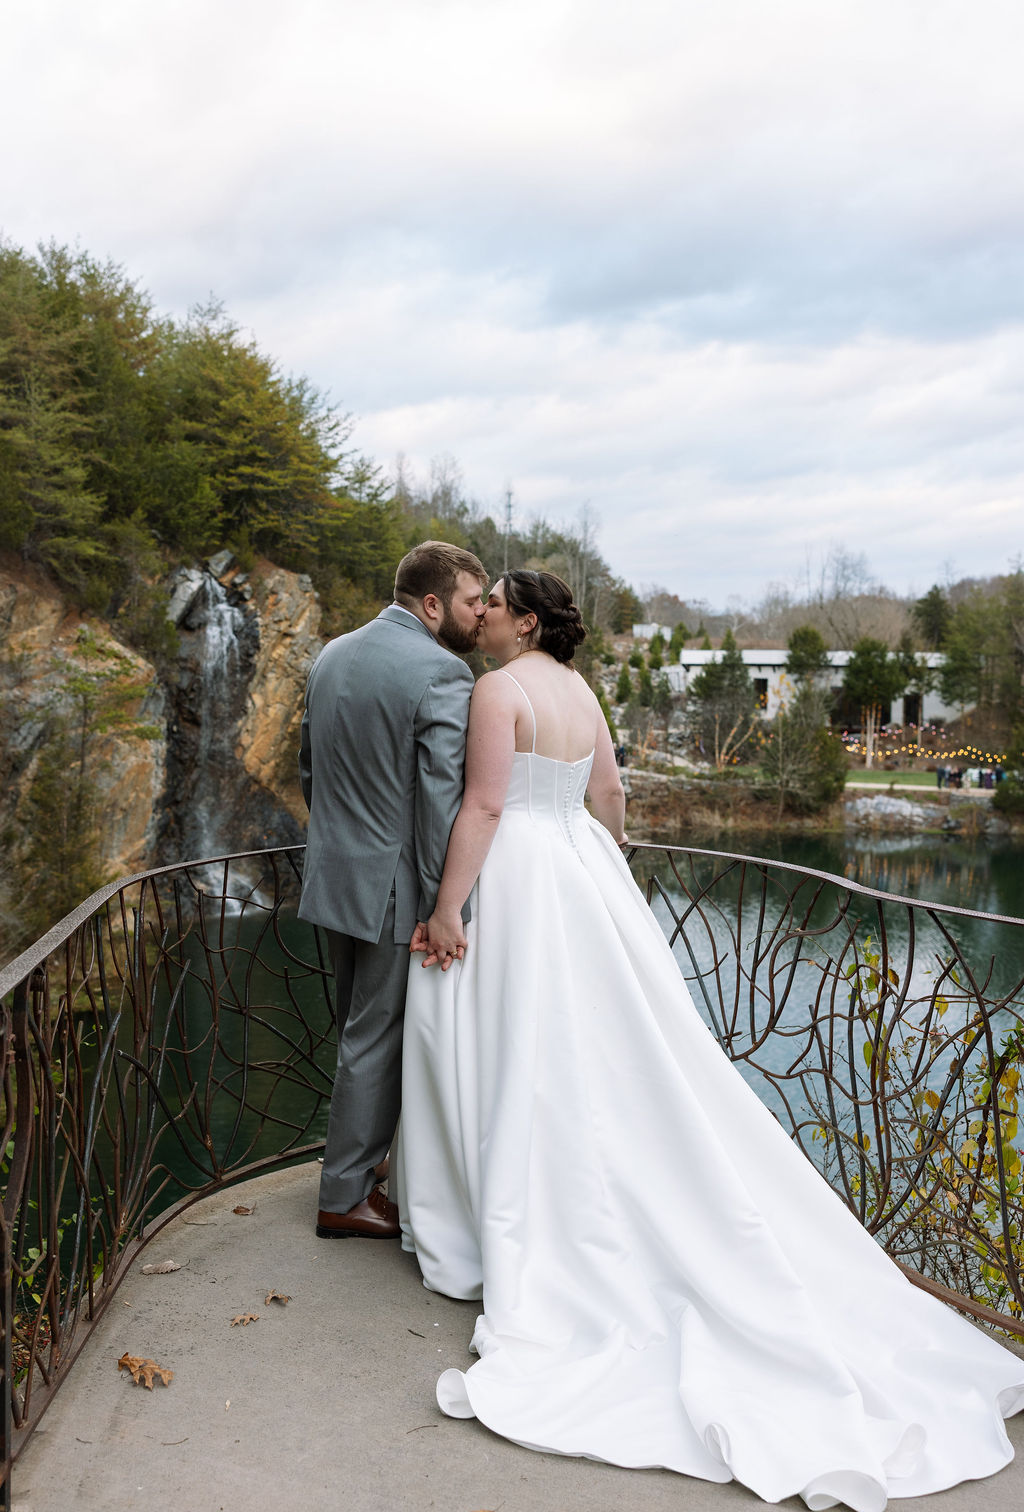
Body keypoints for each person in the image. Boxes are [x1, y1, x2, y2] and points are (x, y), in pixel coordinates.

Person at [394, 569, 1024, 1512]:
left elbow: (483, 808)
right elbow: (608, 791)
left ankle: (509, 1208)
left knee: (525, 1048)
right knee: (598, 1054)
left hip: (523, 874)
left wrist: (450, 907)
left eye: (492, 604)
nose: (478, 615)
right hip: (581, 868)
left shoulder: (499, 690)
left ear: (524, 621)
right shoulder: (580, 690)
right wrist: (607, 874)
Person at [298, 540, 487, 1238]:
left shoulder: (332, 654)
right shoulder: (443, 673)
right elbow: (441, 802)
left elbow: (309, 771)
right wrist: (450, 908)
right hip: (394, 889)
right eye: (472, 600)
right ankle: (343, 1198)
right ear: (433, 604)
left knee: (356, 1029)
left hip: (335, 875)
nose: (479, 613)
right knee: (375, 1037)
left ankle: (360, 1165)